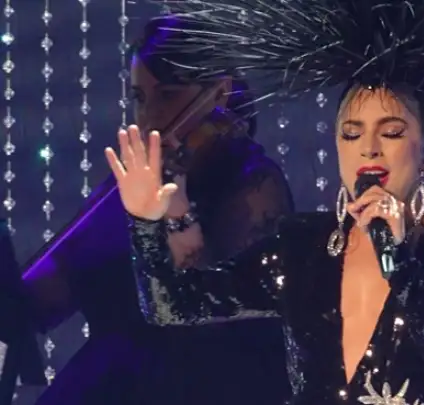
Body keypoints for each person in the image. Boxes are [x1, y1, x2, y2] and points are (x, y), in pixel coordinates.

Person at [107, 1, 424, 404]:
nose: (369, 149)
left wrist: (396, 256)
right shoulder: (302, 246)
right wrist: (146, 221)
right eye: (351, 135)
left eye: (390, 133)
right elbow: (176, 307)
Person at [25, 16, 293, 405]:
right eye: (140, 98)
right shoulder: (134, 181)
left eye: (167, 95)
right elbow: (49, 295)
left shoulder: (254, 181)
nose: (149, 117)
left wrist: (176, 215)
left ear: (219, 93)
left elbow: (212, 324)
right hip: (110, 380)